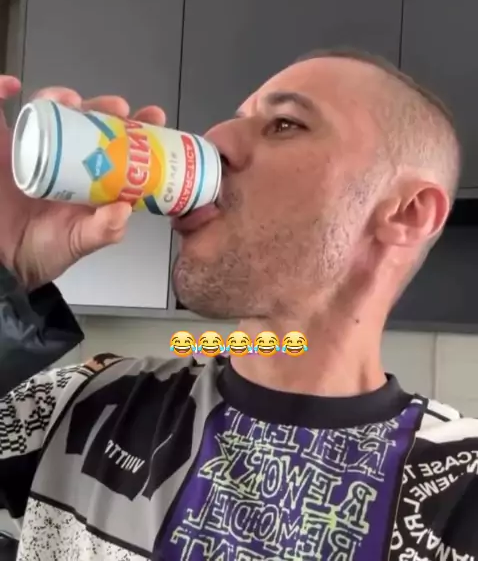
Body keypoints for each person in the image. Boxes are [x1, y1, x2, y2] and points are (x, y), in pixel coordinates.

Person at [0, 49, 476, 561]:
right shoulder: (76, 406)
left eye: (286, 124)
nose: (215, 138)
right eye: (237, 118)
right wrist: (8, 260)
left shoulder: (458, 488)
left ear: (408, 213)